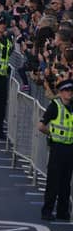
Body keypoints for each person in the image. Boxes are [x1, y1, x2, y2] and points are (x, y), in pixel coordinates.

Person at [38, 78, 73, 222]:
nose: (70, 93)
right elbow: (41, 126)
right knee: (53, 182)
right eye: (67, 90)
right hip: (57, 148)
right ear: (61, 92)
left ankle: (62, 212)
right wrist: (52, 134)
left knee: (66, 183)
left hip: (70, 149)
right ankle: (47, 211)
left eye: (71, 91)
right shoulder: (55, 106)